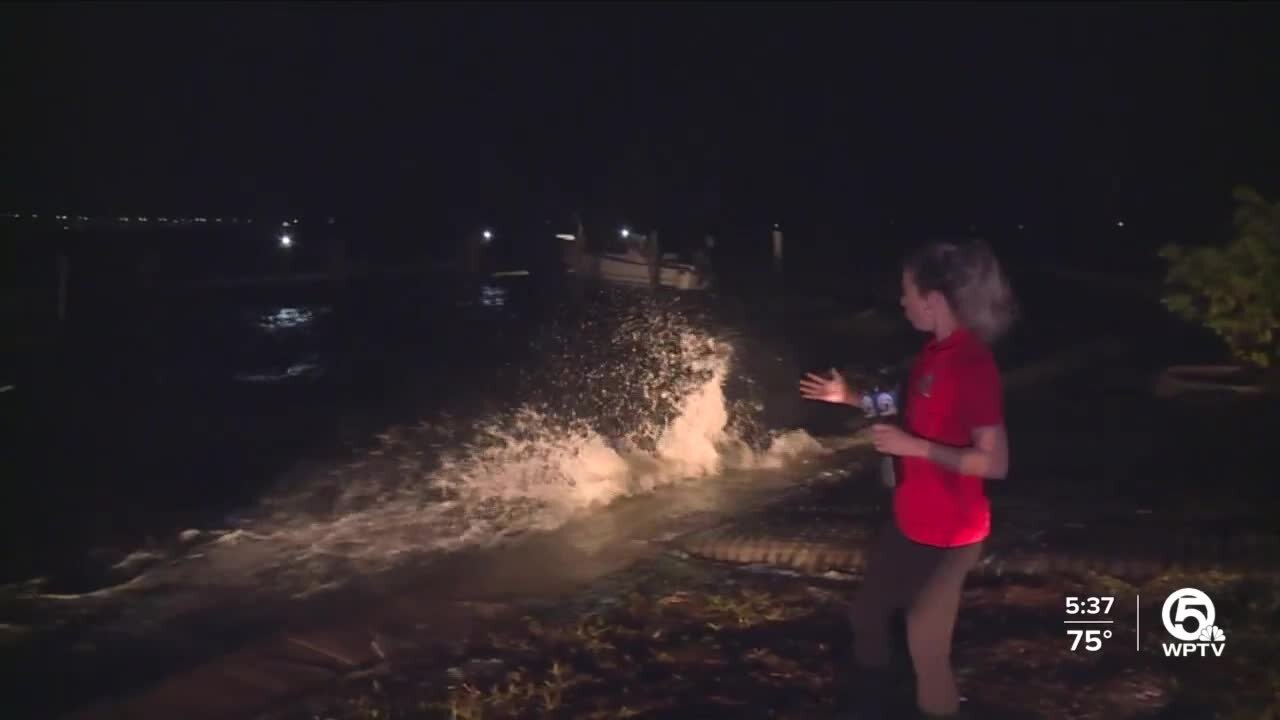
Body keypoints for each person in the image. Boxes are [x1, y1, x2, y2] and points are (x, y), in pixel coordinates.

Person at [799, 238, 1017, 718]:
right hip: (909, 522)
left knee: (925, 642)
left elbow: (994, 461)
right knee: (867, 617)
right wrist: (849, 397)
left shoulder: (972, 364)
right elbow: (906, 411)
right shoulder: (932, 355)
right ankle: (876, 703)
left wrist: (914, 448)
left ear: (933, 299)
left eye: (906, 291)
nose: (902, 301)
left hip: (954, 535)